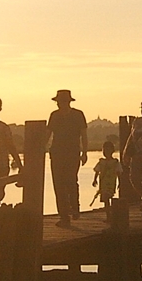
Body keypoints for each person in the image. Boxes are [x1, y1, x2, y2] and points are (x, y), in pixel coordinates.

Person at [46, 90, 88, 227]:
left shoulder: (78, 115)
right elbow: (48, 133)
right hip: (57, 153)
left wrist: (84, 152)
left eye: (62, 101)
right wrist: (41, 148)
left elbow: (84, 135)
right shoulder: (54, 116)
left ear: (68, 102)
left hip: (72, 153)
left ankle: (75, 207)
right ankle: (64, 216)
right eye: (58, 102)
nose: (59, 104)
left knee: (71, 181)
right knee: (58, 184)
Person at [91, 141, 120, 209]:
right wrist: (94, 180)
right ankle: (108, 212)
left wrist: (120, 183)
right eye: (104, 150)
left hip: (111, 182)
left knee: (108, 196)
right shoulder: (101, 162)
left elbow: (118, 173)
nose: (106, 152)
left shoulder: (115, 162)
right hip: (103, 183)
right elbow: (97, 171)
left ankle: (109, 211)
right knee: (105, 198)